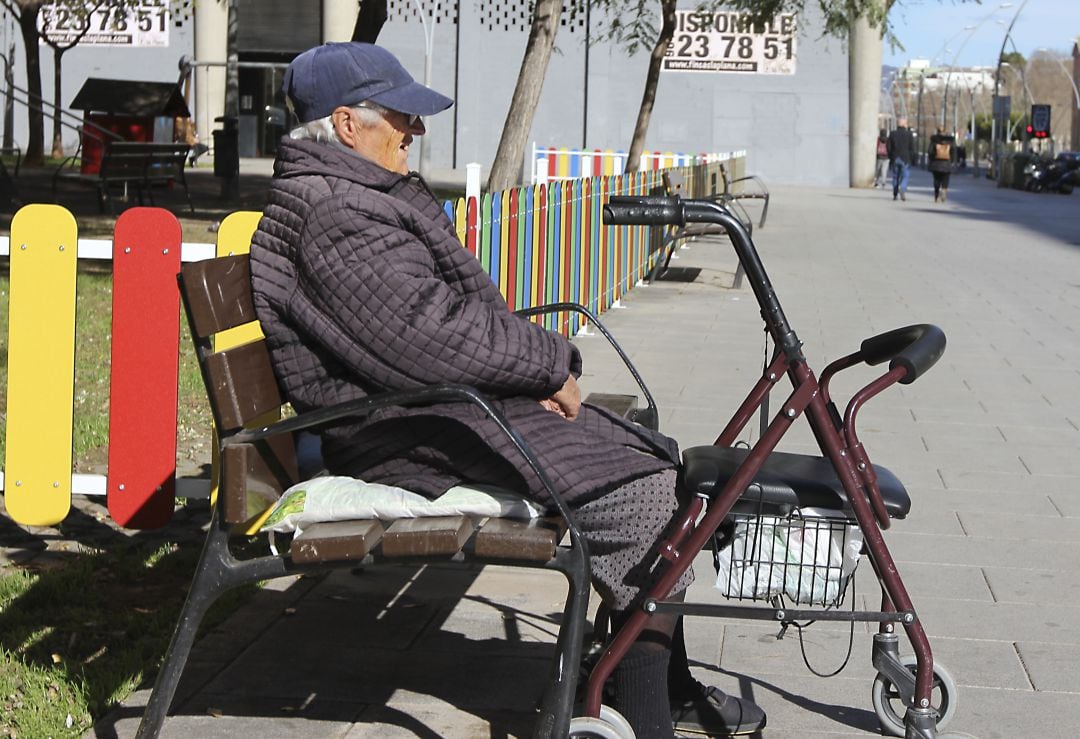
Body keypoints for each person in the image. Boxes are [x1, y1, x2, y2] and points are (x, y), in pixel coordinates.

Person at [248, 42, 766, 739]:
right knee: (646, 499)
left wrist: (532, 368)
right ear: (346, 124)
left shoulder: (356, 193)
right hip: (401, 431)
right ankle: (646, 714)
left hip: (433, 408)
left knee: (663, 465)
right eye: (401, 115)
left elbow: (446, 324)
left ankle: (652, 683)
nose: (416, 130)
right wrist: (547, 362)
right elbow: (427, 335)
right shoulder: (332, 211)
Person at [887, 117, 916, 201]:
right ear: (904, 124)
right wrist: (912, 158)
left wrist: (891, 156)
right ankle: (902, 189)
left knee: (895, 176)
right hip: (905, 158)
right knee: (905, 175)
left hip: (895, 157)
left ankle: (895, 192)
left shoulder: (892, 134)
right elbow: (912, 148)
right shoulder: (909, 134)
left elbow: (888, 146)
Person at [928, 126, 956, 202]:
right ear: (945, 132)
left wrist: (931, 160)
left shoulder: (934, 140)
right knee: (945, 179)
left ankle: (936, 195)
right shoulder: (950, 141)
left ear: (937, 131)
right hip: (946, 163)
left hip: (936, 163)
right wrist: (952, 161)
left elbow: (930, 152)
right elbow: (953, 152)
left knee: (936, 180)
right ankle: (944, 190)